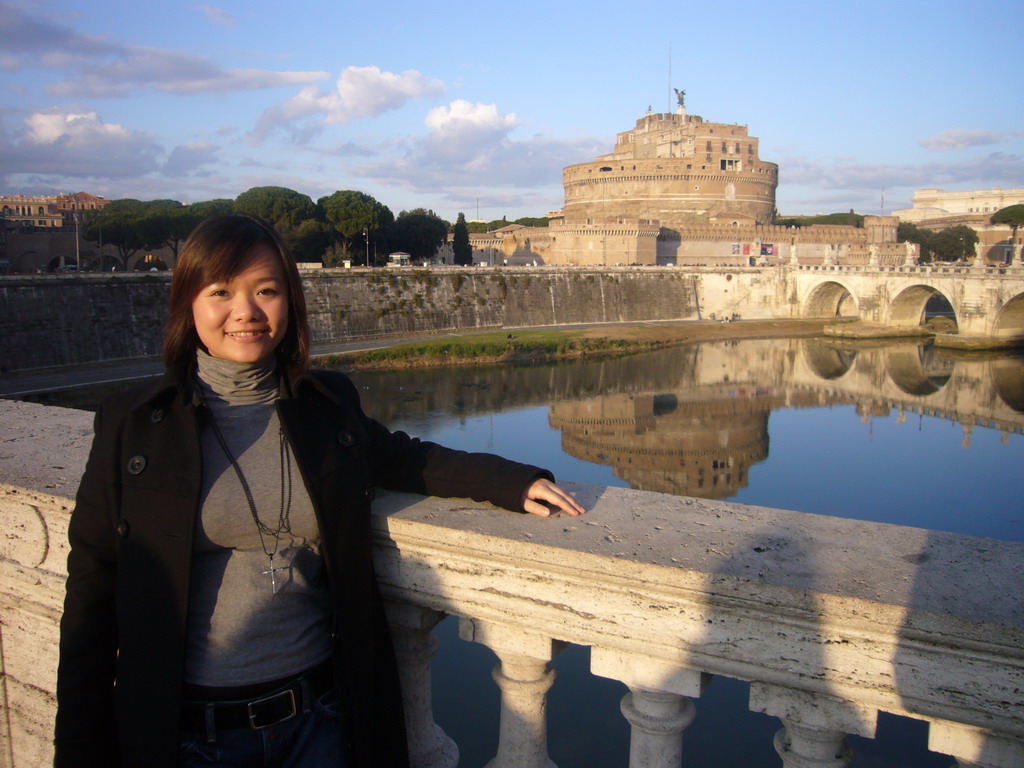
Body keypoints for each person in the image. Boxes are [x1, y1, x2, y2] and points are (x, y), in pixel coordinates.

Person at [55, 213, 585, 768]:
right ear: (189, 302)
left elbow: (403, 456)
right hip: (192, 736)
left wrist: (512, 480)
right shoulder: (133, 424)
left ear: (291, 301)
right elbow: (90, 598)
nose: (246, 312)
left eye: (266, 290)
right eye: (221, 292)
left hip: (321, 722)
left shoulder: (324, 403)